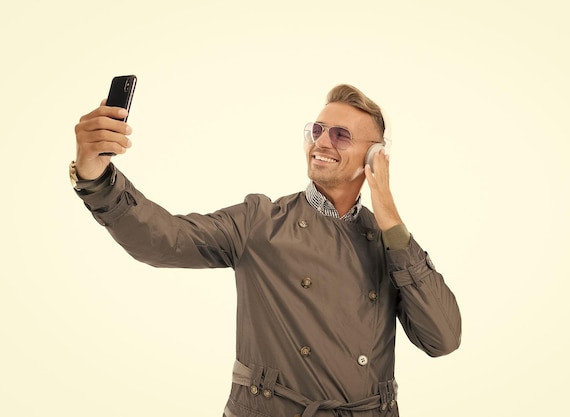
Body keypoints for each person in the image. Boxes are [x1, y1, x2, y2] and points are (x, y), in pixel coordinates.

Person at [70, 84, 462, 417]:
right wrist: (96, 175)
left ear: (375, 155)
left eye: (341, 135)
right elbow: (162, 238)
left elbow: (442, 339)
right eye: (317, 130)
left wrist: (390, 218)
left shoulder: (390, 244)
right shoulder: (260, 221)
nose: (322, 142)